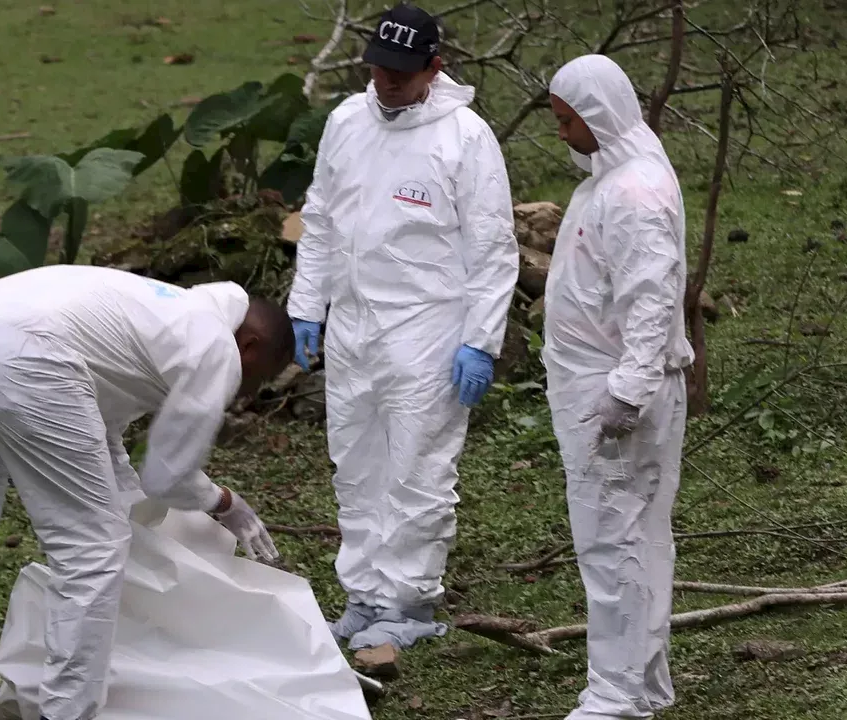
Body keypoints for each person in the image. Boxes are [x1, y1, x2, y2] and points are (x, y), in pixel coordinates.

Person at [0, 264, 293, 720]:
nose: (252, 390)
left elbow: (99, 428)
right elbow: (167, 477)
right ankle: (66, 712)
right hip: (28, 357)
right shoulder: (217, 351)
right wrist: (225, 504)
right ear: (251, 346)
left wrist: (133, 510)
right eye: (262, 377)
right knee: (92, 551)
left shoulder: (169, 311)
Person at [287, 1, 519, 651]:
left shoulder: (465, 138)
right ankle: (366, 594)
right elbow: (323, 216)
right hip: (354, 320)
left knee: (417, 465)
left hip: (427, 324)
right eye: (378, 68)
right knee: (355, 463)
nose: (387, 81)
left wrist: (480, 339)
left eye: (400, 71)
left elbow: (494, 249)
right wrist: (308, 303)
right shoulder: (346, 122)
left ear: (433, 67)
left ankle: (411, 602)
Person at [542, 54, 694, 720]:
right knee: (632, 536)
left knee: (615, 542)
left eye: (566, 120)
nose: (561, 132)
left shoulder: (633, 194)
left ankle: (617, 693)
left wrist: (627, 393)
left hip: (616, 400)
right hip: (597, 389)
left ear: (597, 115)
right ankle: (643, 681)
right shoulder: (615, 176)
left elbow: (651, 298)